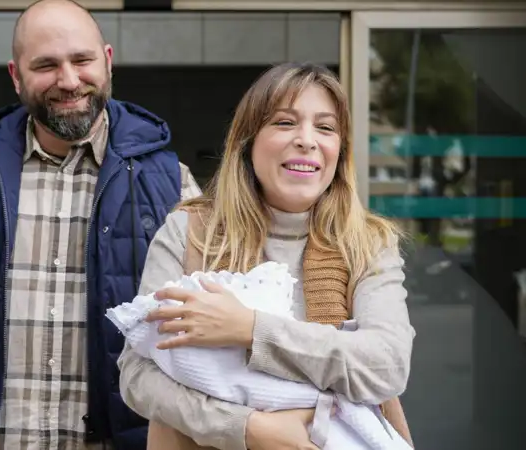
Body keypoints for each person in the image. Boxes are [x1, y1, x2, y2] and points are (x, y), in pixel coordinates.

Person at [0, 0, 201, 449]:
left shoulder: (172, 184)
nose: (69, 81)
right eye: (46, 65)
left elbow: (204, 338)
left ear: (107, 61)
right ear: (16, 76)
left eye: (82, 60)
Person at [117, 62, 416, 450]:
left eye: (325, 127)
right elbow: (138, 374)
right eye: (285, 122)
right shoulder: (188, 232)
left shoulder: (368, 243)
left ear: (339, 152)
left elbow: (386, 365)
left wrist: (250, 329)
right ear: (248, 141)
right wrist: (245, 428)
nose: (307, 140)